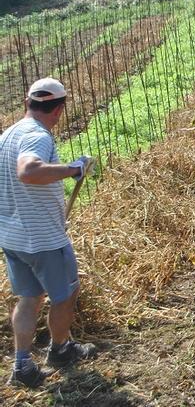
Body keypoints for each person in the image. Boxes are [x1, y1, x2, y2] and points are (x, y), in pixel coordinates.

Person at [0, 78, 97, 388]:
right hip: (43, 238)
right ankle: (60, 350)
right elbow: (28, 171)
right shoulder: (36, 136)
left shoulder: (8, 135)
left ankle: (23, 366)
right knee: (66, 294)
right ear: (57, 110)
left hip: (13, 236)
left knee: (29, 298)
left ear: (28, 103)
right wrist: (73, 169)